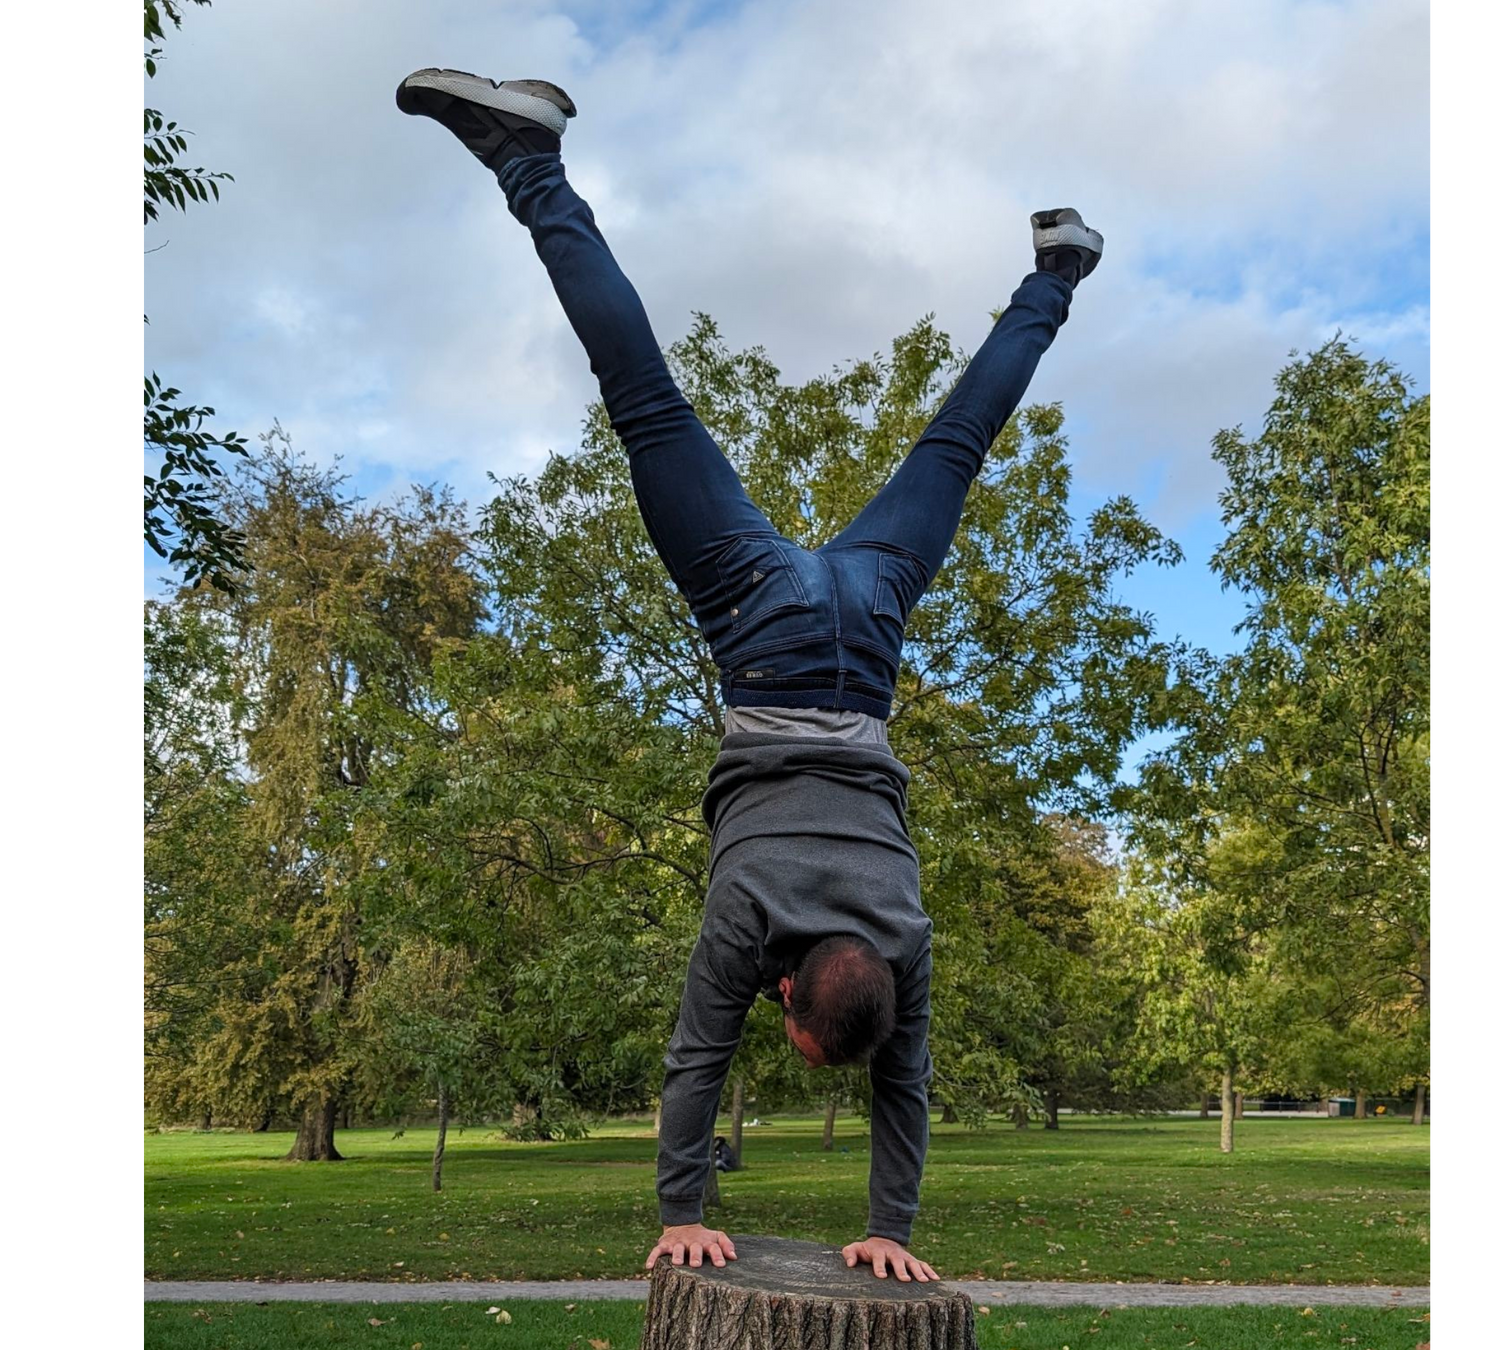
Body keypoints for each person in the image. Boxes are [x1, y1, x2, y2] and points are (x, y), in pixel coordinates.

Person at [396, 67, 1102, 1285]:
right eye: (801, 1043)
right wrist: (684, 1206)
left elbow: (903, 1083)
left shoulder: (908, 943)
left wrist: (893, 1227)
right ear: (790, 1000)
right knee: (644, 403)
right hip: (762, 632)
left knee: (956, 445)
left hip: (868, 634)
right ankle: (529, 165)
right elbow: (698, 1057)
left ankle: (1059, 271)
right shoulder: (751, 915)